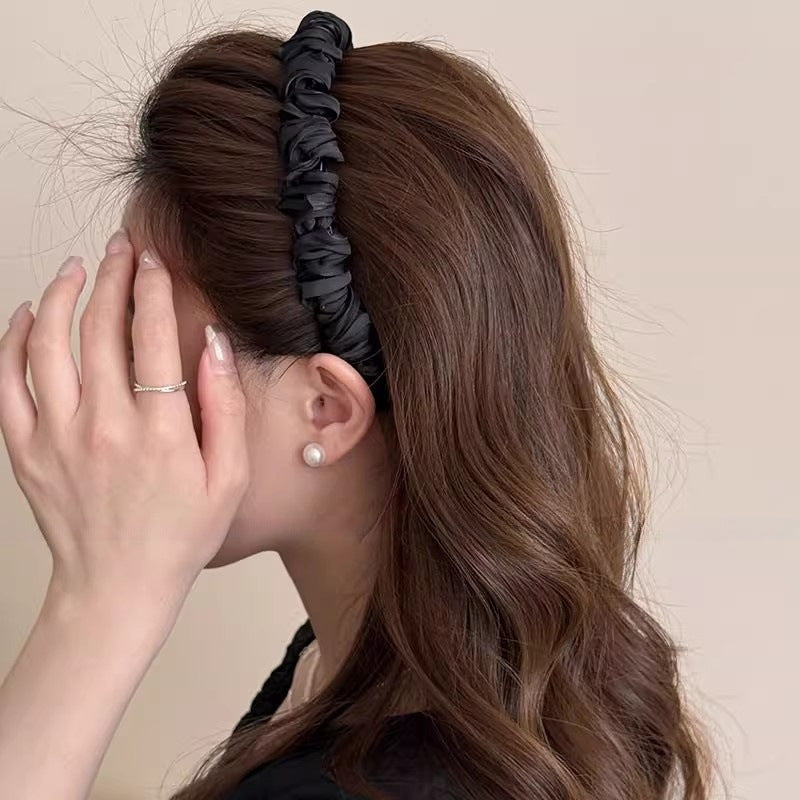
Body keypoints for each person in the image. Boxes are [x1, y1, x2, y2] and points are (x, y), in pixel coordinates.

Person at [0, 9, 711, 800]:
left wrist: (99, 601)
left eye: (146, 335)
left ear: (327, 410)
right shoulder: (369, 672)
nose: (104, 400)